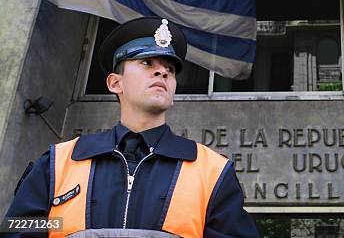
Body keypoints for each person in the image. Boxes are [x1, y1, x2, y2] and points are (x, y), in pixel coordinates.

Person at [5, 17, 260, 237]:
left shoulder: (212, 172)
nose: (162, 73)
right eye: (147, 64)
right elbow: (19, 229)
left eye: (169, 70)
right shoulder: (57, 163)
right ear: (115, 83)